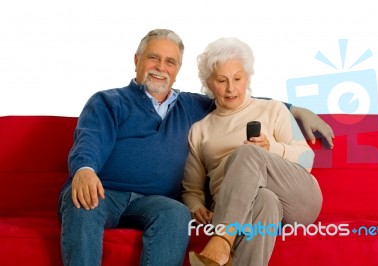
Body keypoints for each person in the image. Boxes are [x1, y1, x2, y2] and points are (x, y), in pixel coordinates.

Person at [58, 29, 331, 266]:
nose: (161, 67)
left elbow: (243, 101)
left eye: (170, 61)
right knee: (85, 198)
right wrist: (84, 168)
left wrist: (296, 109)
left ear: (177, 70)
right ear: (137, 60)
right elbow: (90, 138)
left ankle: (222, 241)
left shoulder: (198, 106)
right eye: (154, 58)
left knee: (232, 167)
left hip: (290, 196)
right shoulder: (111, 101)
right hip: (107, 191)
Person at [182, 37, 323, 266]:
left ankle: (221, 240)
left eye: (237, 78)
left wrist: (271, 148)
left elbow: (308, 158)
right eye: (221, 80)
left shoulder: (273, 109)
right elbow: (191, 189)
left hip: (298, 198)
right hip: (241, 208)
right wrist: (196, 206)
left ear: (247, 77)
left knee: (246, 153)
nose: (231, 88)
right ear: (208, 83)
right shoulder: (200, 130)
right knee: (264, 200)